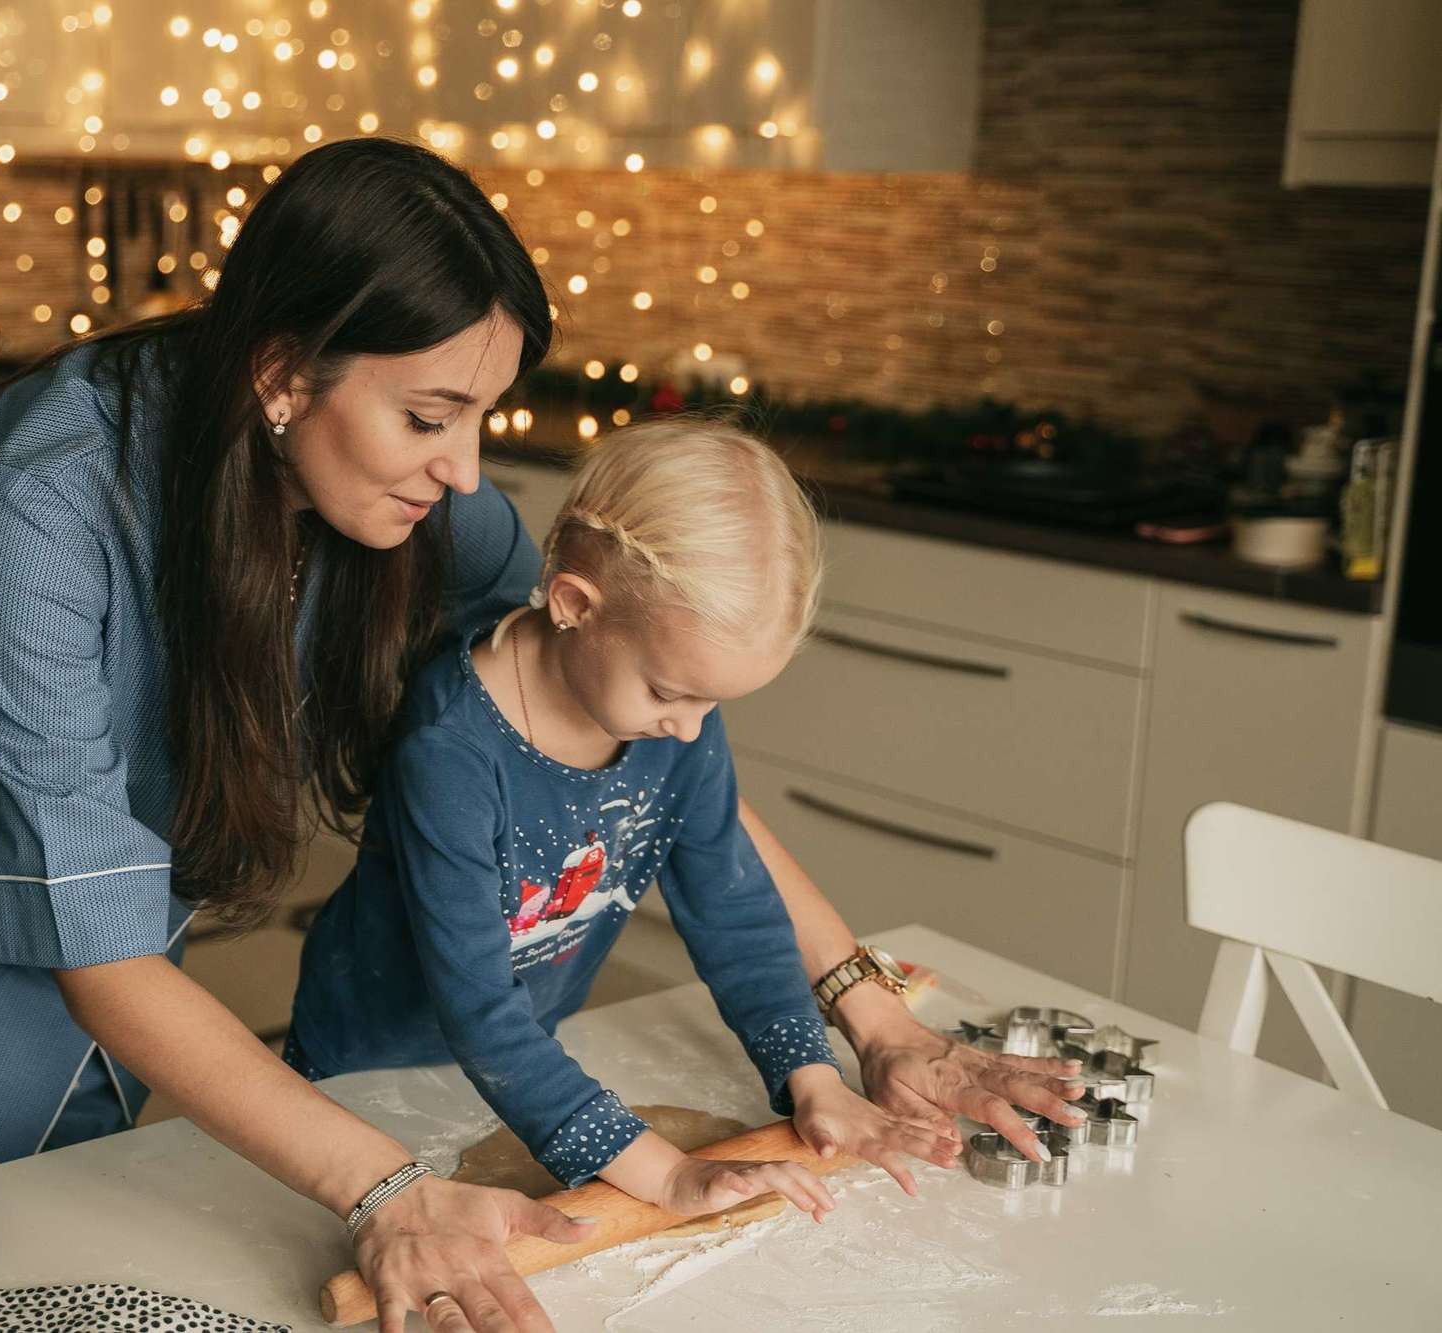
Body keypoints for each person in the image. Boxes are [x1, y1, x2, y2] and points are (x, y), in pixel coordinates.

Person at [0, 136, 1087, 1333]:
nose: (468, 470)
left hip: (110, 934)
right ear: (280, 375)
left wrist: (875, 1017)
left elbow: (658, 758)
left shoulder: (416, 507)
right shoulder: (42, 503)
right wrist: (383, 1188)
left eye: (483, 415)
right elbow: (96, 959)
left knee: (70, 1253)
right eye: (431, 416)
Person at [287, 421, 1052, 1225]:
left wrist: (813, 1077)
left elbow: (737, 911)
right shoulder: (451, 753)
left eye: (711, 702)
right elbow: (480, 1011)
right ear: (576, 603)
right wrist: (666, 1176)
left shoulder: (671, 723)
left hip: (524, 1062)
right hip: (364, 1075)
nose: (692, 728)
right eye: (668, 693)